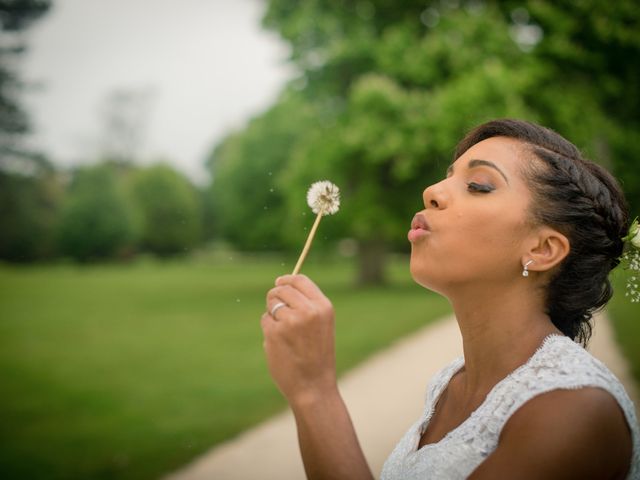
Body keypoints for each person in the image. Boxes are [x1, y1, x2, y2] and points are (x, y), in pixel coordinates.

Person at [261, 119, 640, 479]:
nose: (432, 192)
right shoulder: (450, 383)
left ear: (542, 249)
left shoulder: (572, 411)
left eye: (478, 184)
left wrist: (314, 391)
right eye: (448, 177)